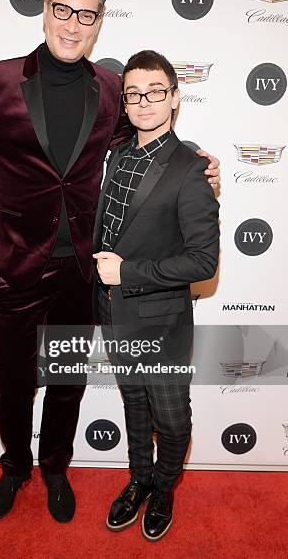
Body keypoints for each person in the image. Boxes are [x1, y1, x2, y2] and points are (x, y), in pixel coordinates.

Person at [0, 0, 220, 523]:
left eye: (87, 15)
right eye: (64, 10)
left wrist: (200, 162)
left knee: (68, 380)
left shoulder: (108, 89)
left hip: (83, 271)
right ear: (45, 10)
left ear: (99, 22)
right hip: (12, 265)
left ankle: (54, 468)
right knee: (14, 381)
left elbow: (151, 140)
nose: (73, 25)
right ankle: (14, 467)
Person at [93, 50, 220, 541]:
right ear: (124, 103)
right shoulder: (117, 154)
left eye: (155, 92)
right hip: (110, 310)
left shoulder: (190, 168)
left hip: (162, 316)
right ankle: (138, 480)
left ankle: (165, 487)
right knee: (133, 404)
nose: (144, 102)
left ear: (174, 98)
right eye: (134, 94)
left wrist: (128, 272)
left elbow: (203, 263)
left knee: (170, 416)